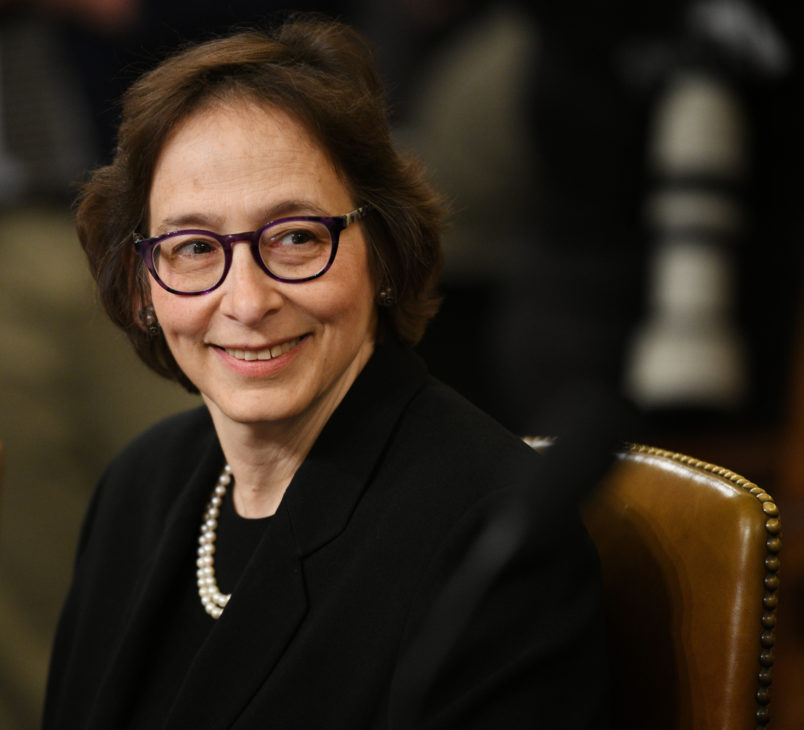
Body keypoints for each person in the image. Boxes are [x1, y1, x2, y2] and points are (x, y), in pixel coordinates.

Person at [42, 14, 609, 729]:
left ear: (385, 252)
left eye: (296, 237)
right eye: (194, 248)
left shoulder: (490, 537)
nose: (247, 301)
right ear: (140, 287)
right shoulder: (139, 484)